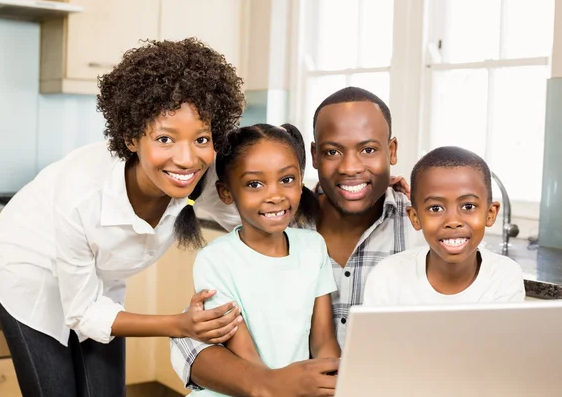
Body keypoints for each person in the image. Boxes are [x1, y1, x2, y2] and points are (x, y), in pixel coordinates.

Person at [0, 38, 247, 396]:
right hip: (30, 272)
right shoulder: (83, 196)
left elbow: (255, 217)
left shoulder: (203, 179)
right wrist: (179, 324)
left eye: (201, 139)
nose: (187, 160)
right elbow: (82, 311)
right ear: (130, 137)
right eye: (165, 139)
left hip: (97, 278)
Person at [170, 87, 425, 397]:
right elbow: (194, 338)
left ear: (391, 150)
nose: (351, 167)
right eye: (333, 151)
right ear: (315, 156)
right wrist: (265, 384)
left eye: (369, 150)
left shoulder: (422, 231)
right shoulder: (273, 221)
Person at [190, 123, 341, 397]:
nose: (275, 195)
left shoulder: (313, 247)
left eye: (287, 180)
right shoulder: (215, 260)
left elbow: (324, 341)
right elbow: (248, 360)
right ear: (226, 192)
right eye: (254, 184)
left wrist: (331, 386)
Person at [363, 146, 525, 306]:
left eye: (468, 206)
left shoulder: (504, 276)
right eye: (436, 208)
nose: (453, 221)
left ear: (490, 214)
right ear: (415, 217)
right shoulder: (386, 277)